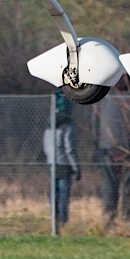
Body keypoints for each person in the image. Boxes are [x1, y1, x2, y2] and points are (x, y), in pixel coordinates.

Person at [93, 81, 130, 225]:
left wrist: (97, 144)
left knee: (109, 187)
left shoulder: (102, 96)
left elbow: (94, 122)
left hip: (107, 148)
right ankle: (129, 221)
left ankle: (109, 221)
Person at [42, 92, 80, 227]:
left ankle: (54, 220)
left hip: (52, 163)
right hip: (64, 165)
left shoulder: (49, 125)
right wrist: (76, 167)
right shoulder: (67, 127)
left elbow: (46, 146)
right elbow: (69, 149)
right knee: (63, 195)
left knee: (54, 193)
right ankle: (63, 222)